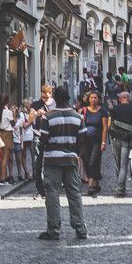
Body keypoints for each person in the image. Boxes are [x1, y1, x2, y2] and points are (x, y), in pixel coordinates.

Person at [37, 85, 88, 242]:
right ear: (68, 99)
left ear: (56, 100)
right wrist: (75, 154)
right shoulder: (78, 117)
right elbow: (82, 140)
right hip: (71, 159)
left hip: (52, 160)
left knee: (52, 194)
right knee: (74, 194)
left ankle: (53, 229)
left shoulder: (48, 117)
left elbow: (43, 139)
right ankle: (80, 228)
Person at [79, 90, 110, 196]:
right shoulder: (83, 111)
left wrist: (103, 142)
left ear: (99, 99)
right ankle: (96, 183)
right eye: (91, 98)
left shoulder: (103, 111)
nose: (93, 99)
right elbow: (79, 125)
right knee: (87, 161)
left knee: (93, 161)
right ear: (88, 99)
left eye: (95, 98)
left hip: (97, 141)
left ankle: (91, 186)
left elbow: (105, 128)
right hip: (85, 140)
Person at [0, 95, 15, 182]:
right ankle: (3, 177)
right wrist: (14, 113)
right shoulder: (8, 112)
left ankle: (3, 175)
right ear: (7, 101)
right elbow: (13, 123)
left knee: (3, 155)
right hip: (7, 134)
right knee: (5, 156)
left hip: (1, 133)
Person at [21, 99, 36, 179]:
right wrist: (30, 122)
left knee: (33, 155)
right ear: (26, 105)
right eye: (30, 104)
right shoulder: (22, 114)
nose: (31, 106)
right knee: (23, 155)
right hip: (24, 137)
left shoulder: (32, 113)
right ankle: (26, 172)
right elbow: (23, 125)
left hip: (31, 136)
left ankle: (34, 173)